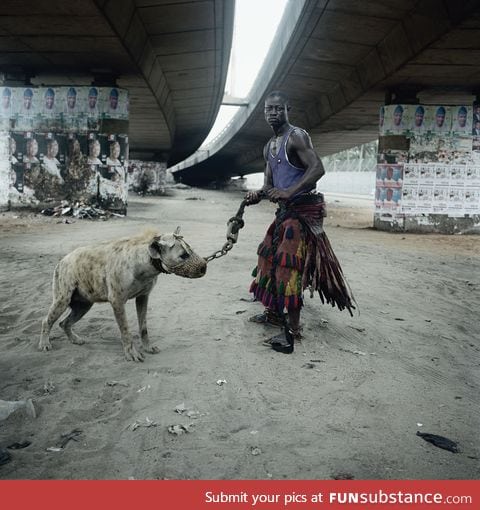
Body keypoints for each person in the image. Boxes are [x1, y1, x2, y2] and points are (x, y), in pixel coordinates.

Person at [245, 90, 355, 353]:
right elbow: (270, 185)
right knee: (268, 257)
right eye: (268, 109)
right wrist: (256, 195)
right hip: (285, 213)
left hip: (301, 214)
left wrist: (289, 192)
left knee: (288, 268)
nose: (272, 113)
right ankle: (272, 313)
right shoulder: (269, 146)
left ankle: (293, 329)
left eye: (277, 109)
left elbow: (317, 169)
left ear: (287, 109)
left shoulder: (296, 136)